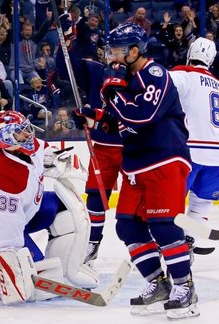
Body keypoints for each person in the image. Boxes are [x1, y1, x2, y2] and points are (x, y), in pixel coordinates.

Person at [82, 23, 197, 319]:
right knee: (127, 226)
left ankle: (185, 290)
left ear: (135, 50)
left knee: (163, 226)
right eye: (110, 51)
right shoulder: (126, 77)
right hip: (136, 163)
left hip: (164, 159)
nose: (113, 57)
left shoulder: (155, 74)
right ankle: (158, 283)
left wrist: (114, 97)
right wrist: (96, 117)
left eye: (118, 51)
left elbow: (142, 115)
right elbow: (120, 122)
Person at [0, 111, 98, 304]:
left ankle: (69, 268)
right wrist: (20, 265)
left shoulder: (20, 145)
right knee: (40, 282)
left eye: (25, 128)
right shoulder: (7, 178)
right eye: (20, 132)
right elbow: (7, 235)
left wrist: (57, 157)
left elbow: (42, 149)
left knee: (65, 209)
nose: (27, 133)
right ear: (7, 138)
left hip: (24, 213)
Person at [71, 56, 124, 265]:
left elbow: (123, 116)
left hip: (132, 148)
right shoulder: (97, 71)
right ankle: (93, 242)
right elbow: (68, 67)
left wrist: (95, 117)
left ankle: (154, 243)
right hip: (102, 148)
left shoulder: (140, 75)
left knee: (142, 198)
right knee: (94, 196)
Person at [169, 37, 219, 253]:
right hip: (217, 157)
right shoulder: (217, 84)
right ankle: (188, 239)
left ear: (190, 53)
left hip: (190, 152)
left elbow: (156, 86)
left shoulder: (183, 75)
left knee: (171, 202)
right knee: (202, 203)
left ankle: (170, 243)